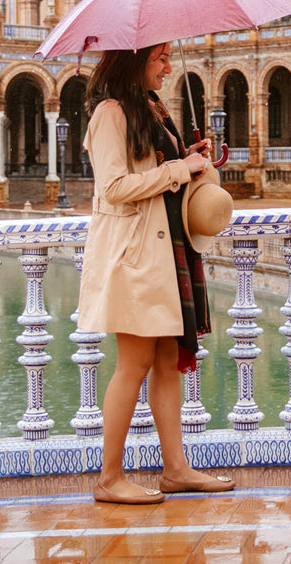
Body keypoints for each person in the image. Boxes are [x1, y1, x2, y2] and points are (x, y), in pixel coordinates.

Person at [78, 42, 235, 504]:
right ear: (134, 61)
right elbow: (114, 187)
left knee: (168, 361)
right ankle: (109, 478)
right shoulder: (110, 113)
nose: (167, 67)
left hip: (166, 248)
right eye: (159, 58)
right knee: (134, 364)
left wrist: (191, 156)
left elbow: (158, 168)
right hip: (135, 254)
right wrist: (178, 168)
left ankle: (176, 469)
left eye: (168, 57)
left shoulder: (151, 108)